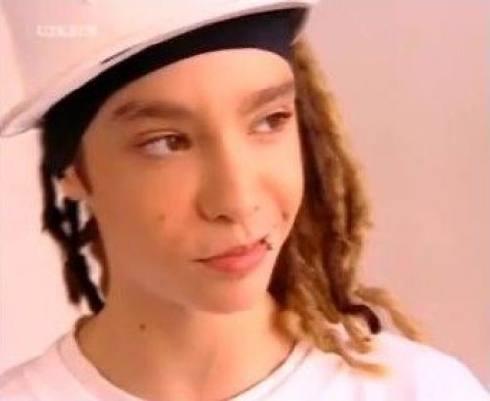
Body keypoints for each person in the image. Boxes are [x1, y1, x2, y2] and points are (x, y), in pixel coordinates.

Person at [0, 1, 488, 400]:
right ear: (72, 169)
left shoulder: (421, 392)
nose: (237, 201)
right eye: (166, 142)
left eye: (270, 121)